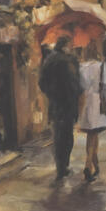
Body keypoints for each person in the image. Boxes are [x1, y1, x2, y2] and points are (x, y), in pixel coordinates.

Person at [37, 36, 82, 183]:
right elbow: (75, 84)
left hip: (55, 103)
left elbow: (42, 82)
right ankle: (64, 166)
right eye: (70, 44)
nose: (71, 47)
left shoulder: (49, 60)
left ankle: (60, 167)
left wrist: (51, 93)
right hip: (67, 103)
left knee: (58, 135)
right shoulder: (68, 62)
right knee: (67, 136)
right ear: (64, 46)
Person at [77, 38, 106, 180]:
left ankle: (96, 166)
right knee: (93, 134)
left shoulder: (80, 67)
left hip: (85, 102)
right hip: (97, 101)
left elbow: (79, 87)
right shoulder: (102, 66)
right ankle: (87, 165)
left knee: (92, 134)